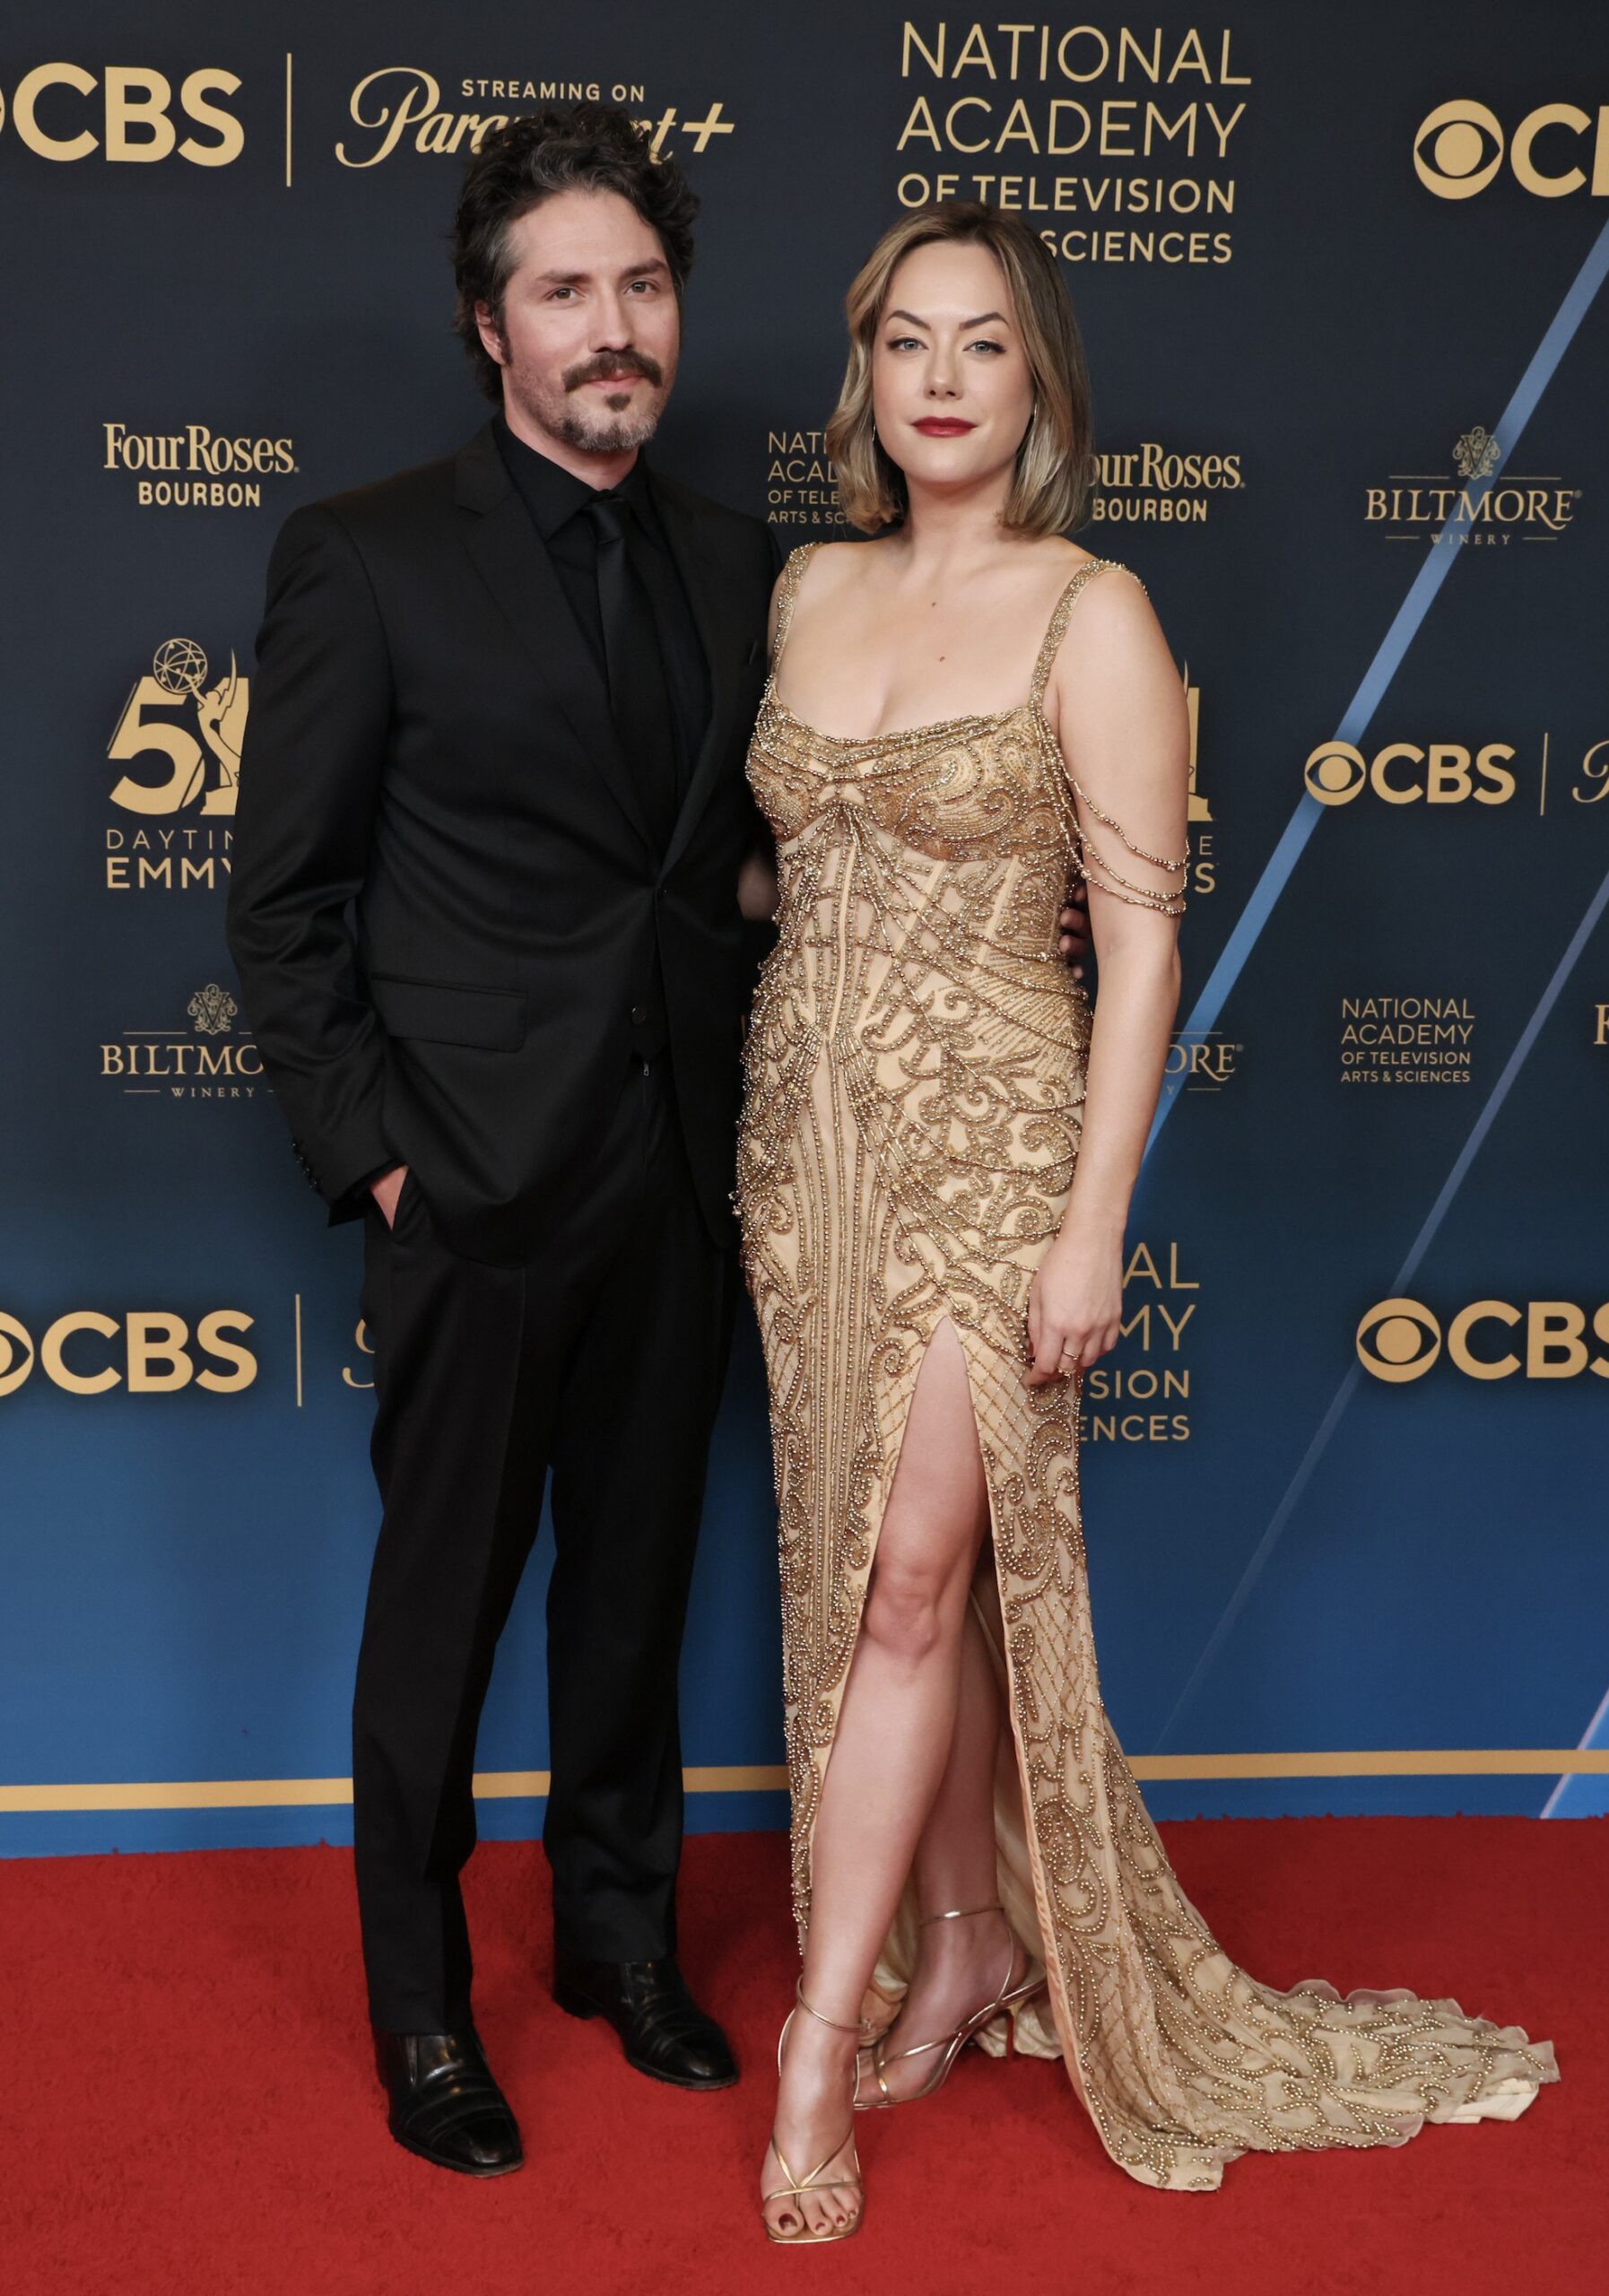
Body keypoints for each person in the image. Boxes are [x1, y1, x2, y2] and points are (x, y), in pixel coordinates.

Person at [735, 200, 1558, 2244]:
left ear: (1041, 382)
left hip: (993, 1150)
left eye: (983, 342)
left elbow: (1140, 943)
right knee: (865, 1563)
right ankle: (963, 1942)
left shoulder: (1093, 609)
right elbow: (799, 860)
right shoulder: (805, 586)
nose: (939, 375)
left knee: (904, 1589)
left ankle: (816, 2042)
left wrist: (1096, 1219)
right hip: (797, 1152)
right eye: (907, 338)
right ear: (869, 371)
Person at [226, 105, 779, 2176]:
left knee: (633, 1593)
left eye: (642, 286)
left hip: (677, 1176)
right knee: (441, 1612)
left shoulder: (738, 561)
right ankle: (422, 2002)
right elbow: (282, 903)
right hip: (465, 1183)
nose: (612, 327)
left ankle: (618, 1942)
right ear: (491, 326)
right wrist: (382, 1155)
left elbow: (717, 875)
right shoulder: (365, 555)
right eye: (565, 290)